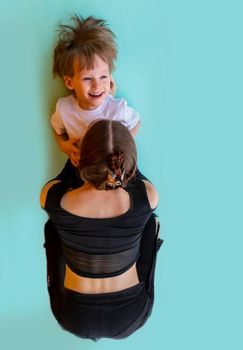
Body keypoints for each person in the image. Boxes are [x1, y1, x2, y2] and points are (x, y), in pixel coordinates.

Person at [40, 120, 162, 340]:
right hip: (130, 316)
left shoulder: (52, 198)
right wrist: (121, 148)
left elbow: (68, 176)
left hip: (71, 315)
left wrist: (74, 155)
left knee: (52, 224)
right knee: (150, 220)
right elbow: (134, 176)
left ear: (82, 160)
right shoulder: (148, 197)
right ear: (128, 160)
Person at [51, 14, 141, 185]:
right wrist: (64, 146)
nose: (97, 86)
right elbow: (57, 130)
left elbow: (137, 123)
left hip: (112, 169)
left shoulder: (116, 108)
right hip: (80, 169)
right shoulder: (64, 109)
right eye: (87, 79)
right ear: (70, 82)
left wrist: (124, 142)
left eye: (103, 77)